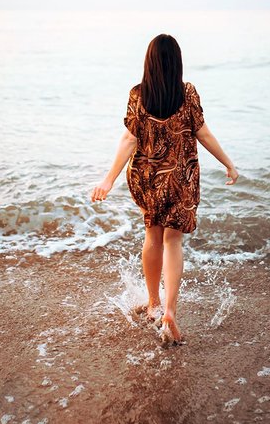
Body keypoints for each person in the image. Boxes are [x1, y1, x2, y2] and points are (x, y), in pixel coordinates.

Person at [91, 34, 238, 345]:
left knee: (152, 235)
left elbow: (128, 141)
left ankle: (153, 303)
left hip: (146, 178)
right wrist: (228, 163)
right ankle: (170, 310)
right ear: (177, 62)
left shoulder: (138, 95)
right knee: (173, 242)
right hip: (181, 179)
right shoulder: (188, 93)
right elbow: (203, 133)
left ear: (149, 62)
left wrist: (108, 179)